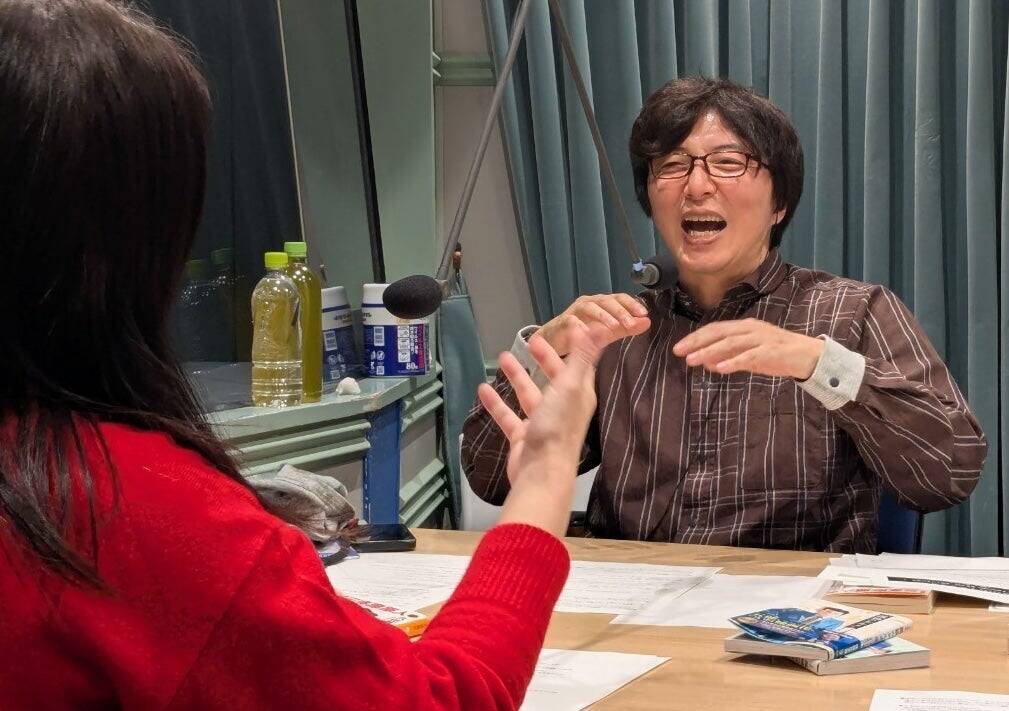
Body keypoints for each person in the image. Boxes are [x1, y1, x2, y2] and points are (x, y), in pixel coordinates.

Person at [0, 1, 609, 708]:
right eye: (674, 164)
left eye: (715, 162)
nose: (697, 185)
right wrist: (545, 472)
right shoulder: (129, 509)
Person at [463, 76, 988, 553]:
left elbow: (951, 472)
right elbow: (491, 480)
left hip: (793, 607)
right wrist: (546, 347)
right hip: (633, 600)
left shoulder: (853, 311)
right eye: (672, 166)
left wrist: (817, 364)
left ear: (779, 203)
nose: (696, 187)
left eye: (728, 162)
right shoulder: (615, 333)